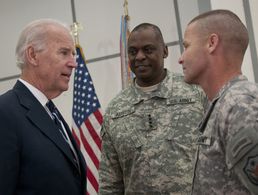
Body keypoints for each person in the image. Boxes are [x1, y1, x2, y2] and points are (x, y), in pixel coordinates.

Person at [99, 23, 205, 194]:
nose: (139, 57)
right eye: (133, 52)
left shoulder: (196, 92)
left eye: (148, 50)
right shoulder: (115, 110)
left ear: (164, 51)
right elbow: (110, 182)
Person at [0, 19, 86, 195]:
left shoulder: (49, 111)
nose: (74, 63)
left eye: (73, 54)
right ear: (32, 55)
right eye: (64, 53)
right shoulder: (5, 113)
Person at [179, 9, 258, 195]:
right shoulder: (222, 104)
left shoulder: (239, 106)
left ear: (211, 43)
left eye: (187, 46)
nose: (180, 58)